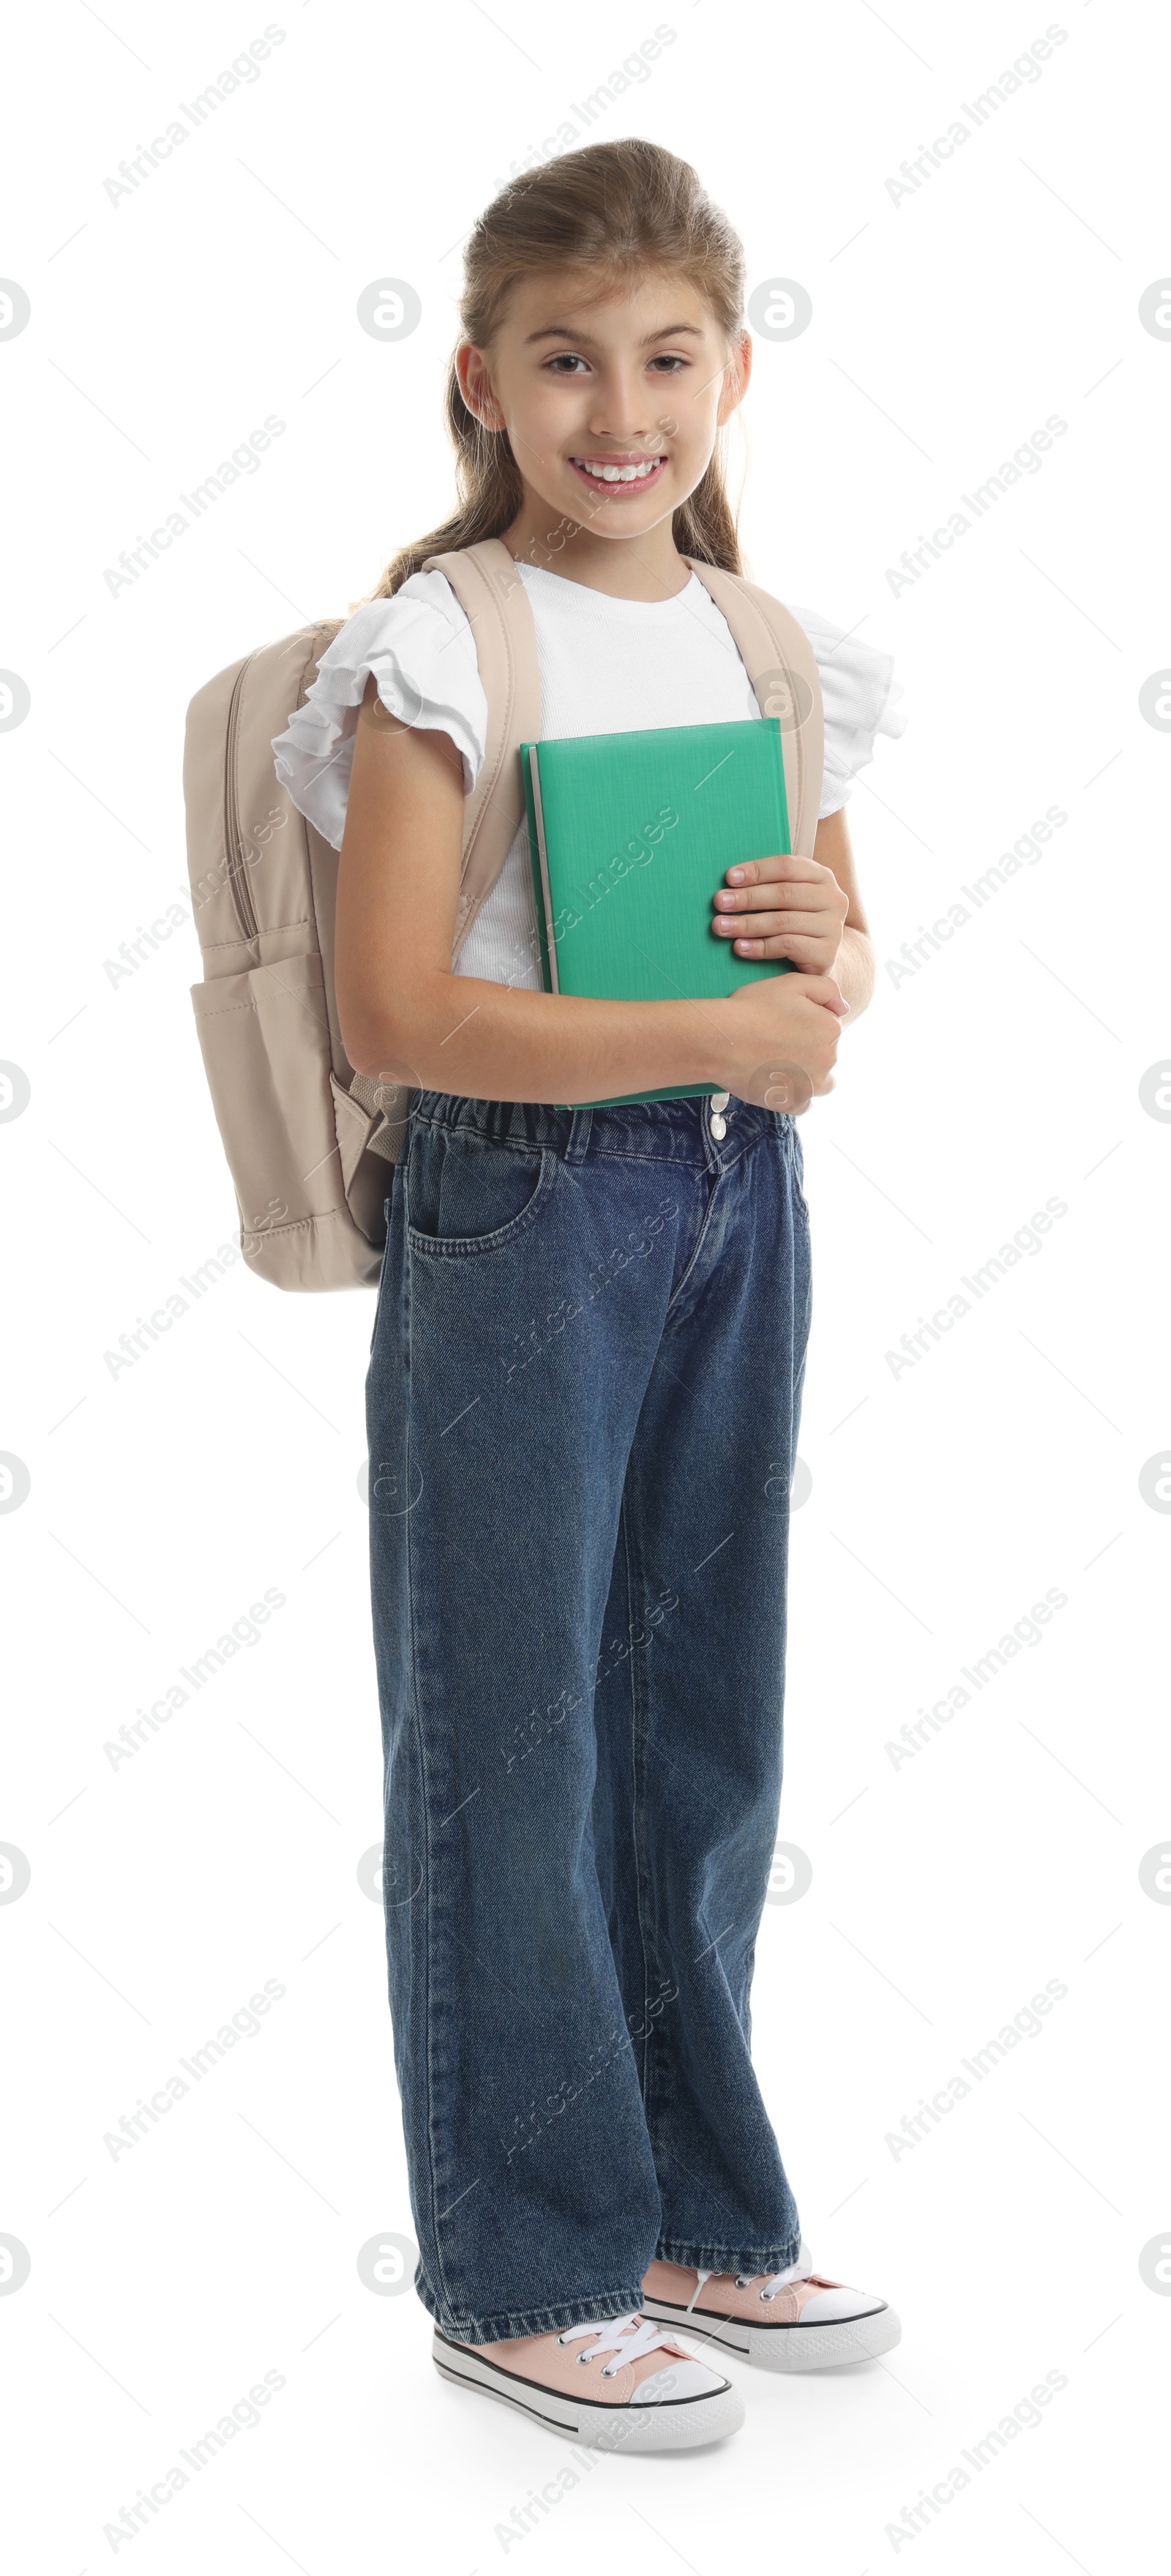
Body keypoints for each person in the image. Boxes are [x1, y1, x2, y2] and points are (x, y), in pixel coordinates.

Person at [273, 138, 906, 2453]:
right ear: (481, 381)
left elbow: (825, 955)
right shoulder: (448, 644)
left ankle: (688, 2208)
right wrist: (728, 1039)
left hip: (738, 1202)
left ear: (730, 373)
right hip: (523, 1211)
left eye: (663, 359)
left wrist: (816, 983)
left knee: (697, 1714)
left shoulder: (760, 644)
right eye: (564, 360)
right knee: (514, 1729)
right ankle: (524, 2261)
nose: (618, 408)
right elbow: (400, 1020)